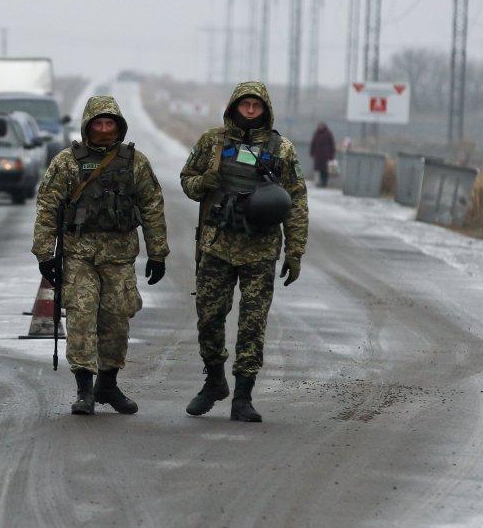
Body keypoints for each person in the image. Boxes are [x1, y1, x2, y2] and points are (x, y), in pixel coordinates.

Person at [179, 81, 308, 422]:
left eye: (257, 105)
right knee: (209, 317)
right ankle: (214, 380)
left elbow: (296, 200)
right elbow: (187, 179)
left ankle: (243, 395)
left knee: (252, 324)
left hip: (260, 248)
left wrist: (295, 250)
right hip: (217, 244)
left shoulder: (281, 149)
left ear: (265, 109)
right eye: (245, 104)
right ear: (234, 106)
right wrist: (201, 183)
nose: (251, 110)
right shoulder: (212, 142)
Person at [33, 95, 169, 415]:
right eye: (98, 123)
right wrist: (44, 254)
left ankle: (107, 384)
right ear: (87, 126)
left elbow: (152, 207)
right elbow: (48, 207)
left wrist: (158, 253)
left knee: (116, 319)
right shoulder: (67, 162)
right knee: (80, 315)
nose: (104, 129)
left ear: (119, 126)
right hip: (79, 253)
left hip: (119, 255)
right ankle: (84, 390)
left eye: (110, 123)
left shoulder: (136, 163)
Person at [309, 121, 336, 188]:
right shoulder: (316, 134)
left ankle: (324, 182)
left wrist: (331, 154)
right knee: (318, 170)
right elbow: (313, 143)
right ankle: (319, 182)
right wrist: (312, 152)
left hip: (326, 155)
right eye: (319, 126)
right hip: (318, 155)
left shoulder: (328, 134)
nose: (320, 127)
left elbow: (332, 145)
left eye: (321, 126)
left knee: (325, 170)